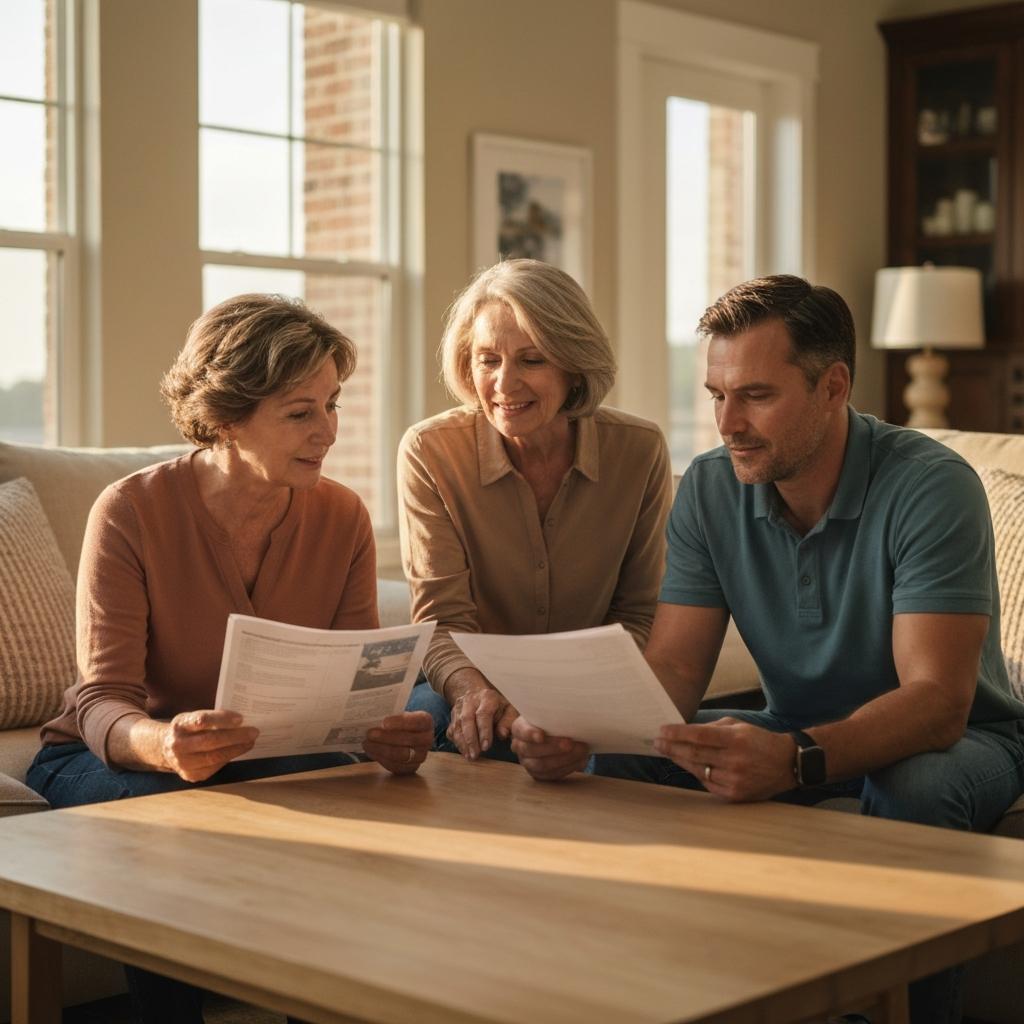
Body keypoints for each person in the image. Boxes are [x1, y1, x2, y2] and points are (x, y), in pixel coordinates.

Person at [510, 274, 1024, 1023]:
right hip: (793, 725)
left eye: (755, 395)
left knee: (916, 784)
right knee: (615, 761)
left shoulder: (931, 487)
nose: (728, 423)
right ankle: (625, 993)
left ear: (833, 386)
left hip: (965, 738)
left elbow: (937, 704)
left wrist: (795, 759)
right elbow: (679, 670)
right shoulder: (713, 489)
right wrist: (578, 728)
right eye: (716, 394)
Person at [27, 294, 433, 1024]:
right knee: (178, 824)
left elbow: (354, 685)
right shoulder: (130, 511)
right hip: (112, 760)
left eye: (333, 404)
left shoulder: (340, 517)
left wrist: (382, 732)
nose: (329, 432)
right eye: (300, 412)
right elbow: (101, 700)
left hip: (260, 759)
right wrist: (167, 744)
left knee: (355, 810)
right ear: (225, 415)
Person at [400, 259, 673, 765]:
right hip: (467, 688)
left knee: (630, 759)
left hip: (587, 693)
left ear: (573, 365)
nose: (504, 384)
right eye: (488, 359)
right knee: (430, 724)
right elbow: (441, 621)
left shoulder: (638, 450)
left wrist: (564, 705)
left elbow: (638, 614)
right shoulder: (430, 451)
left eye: (531, 360)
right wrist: (473, 693)